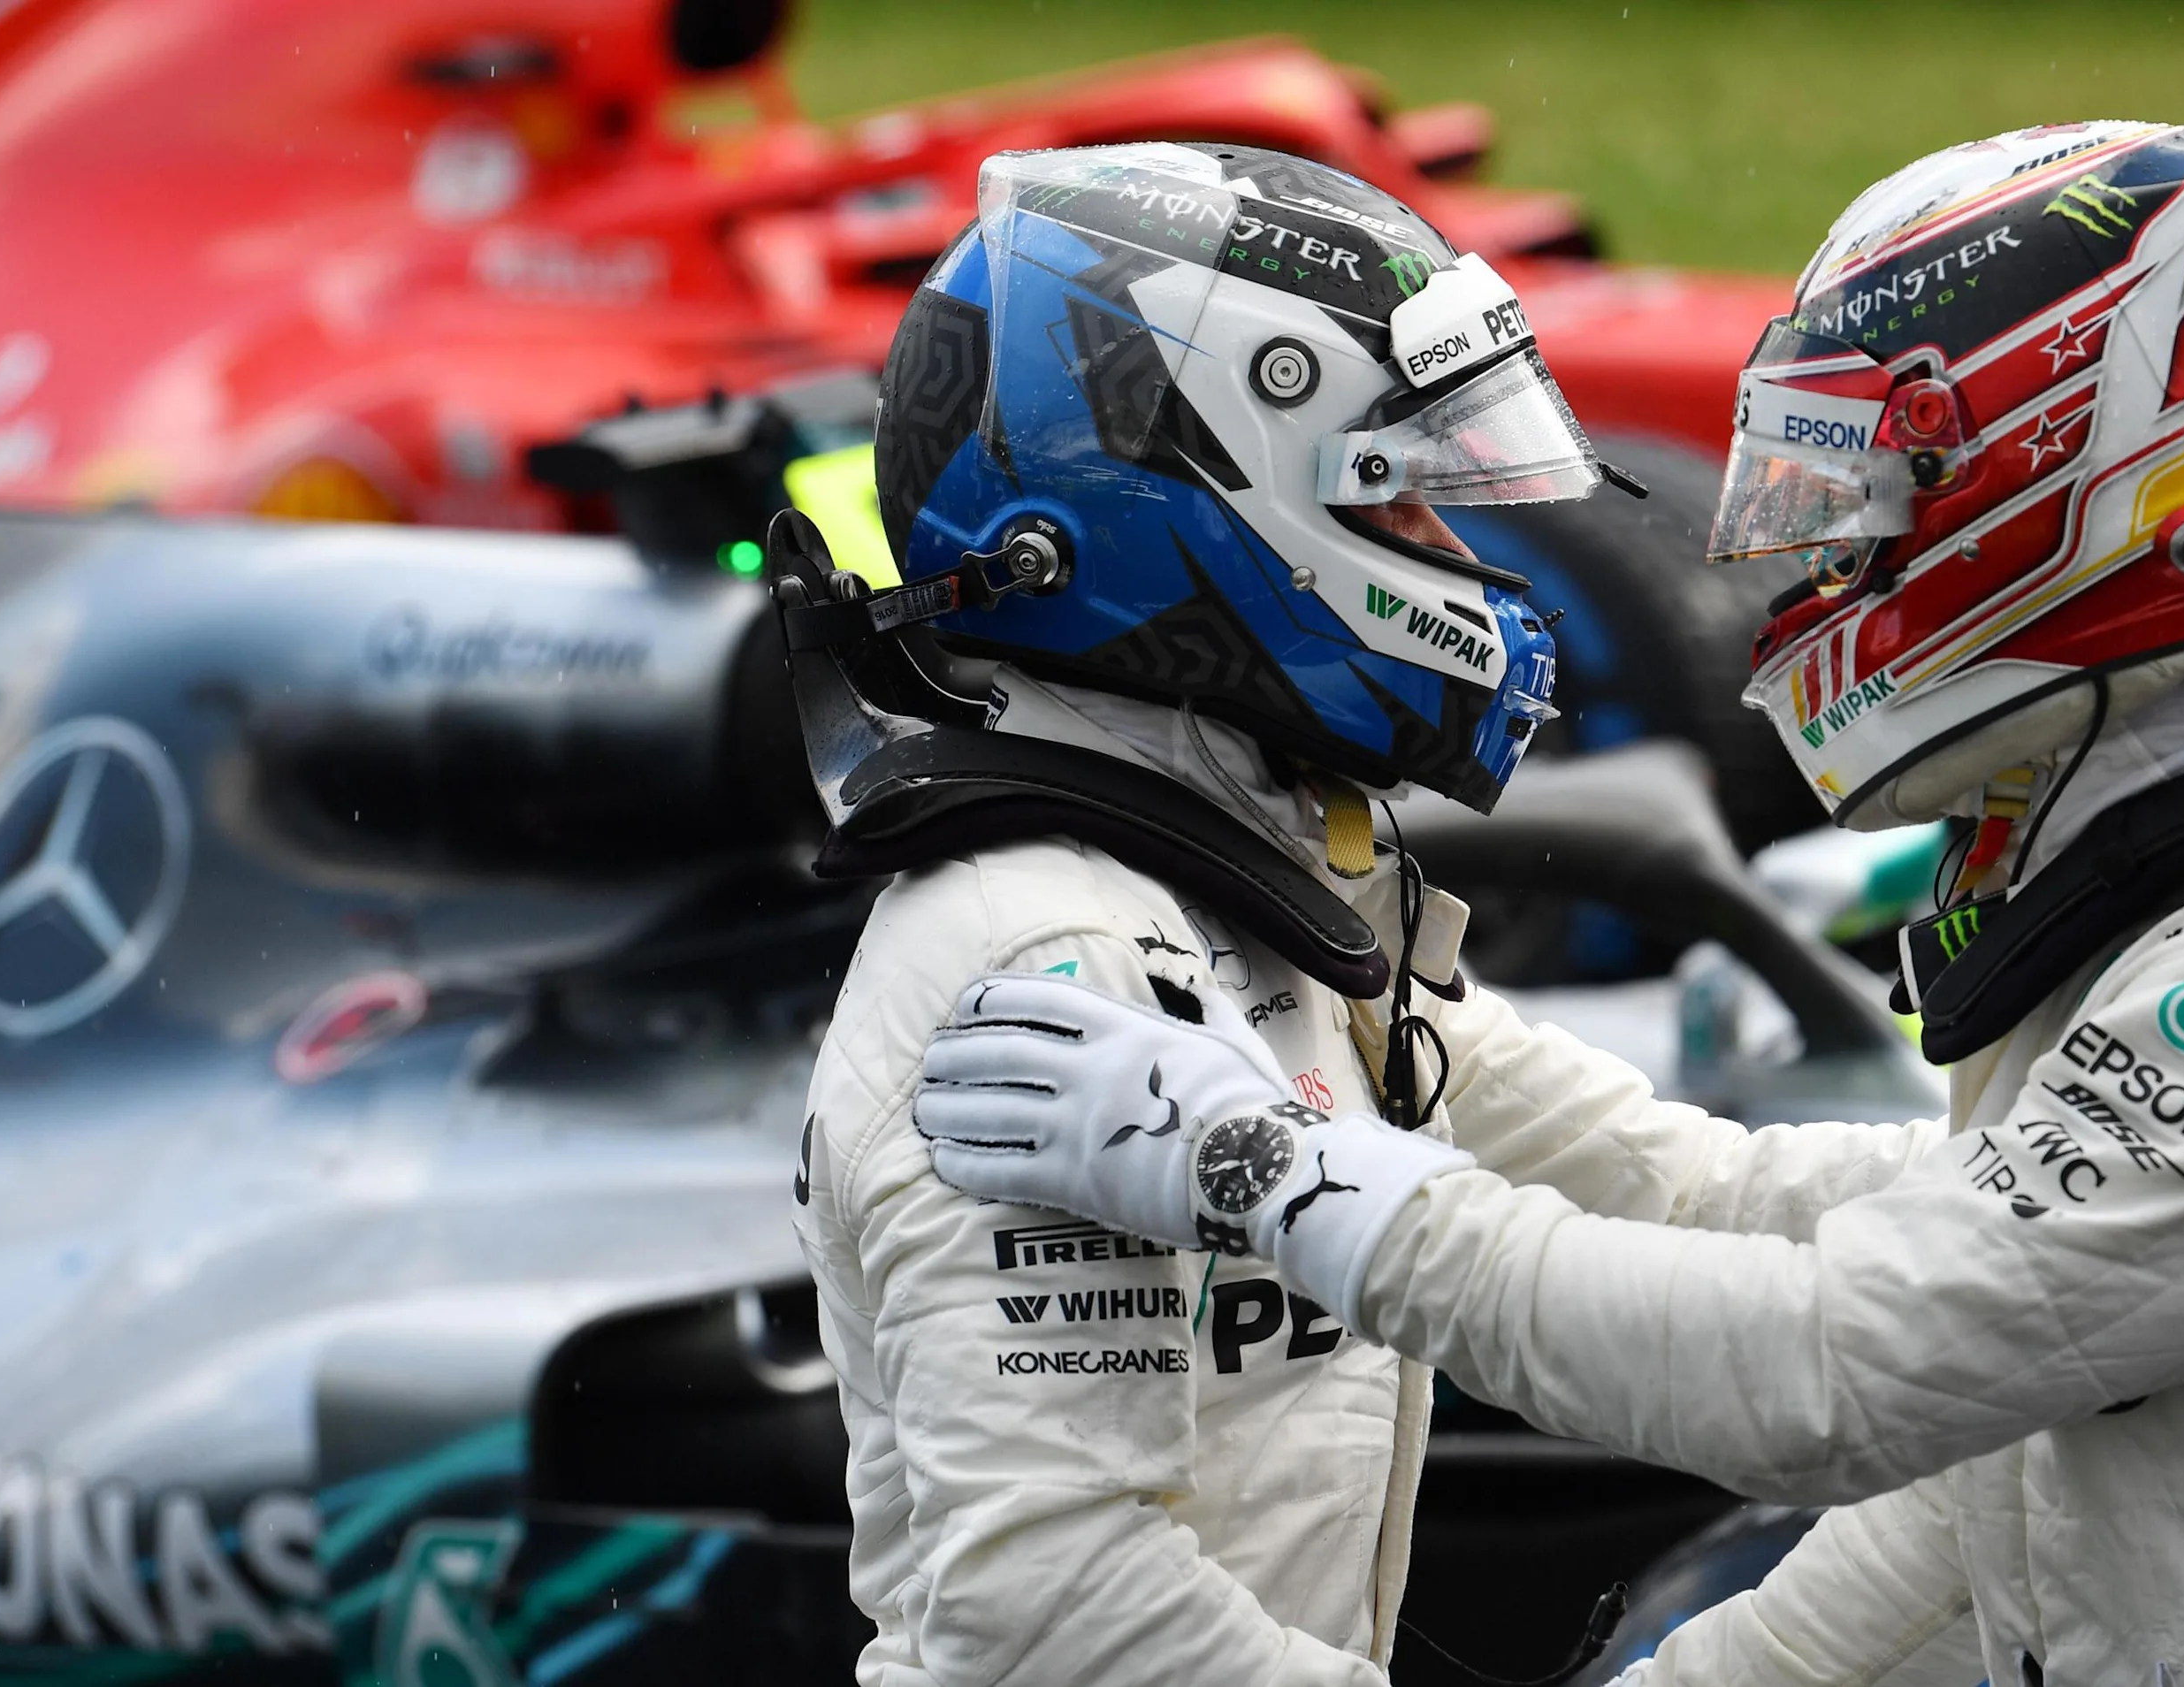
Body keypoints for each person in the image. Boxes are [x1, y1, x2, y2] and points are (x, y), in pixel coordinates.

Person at [913, 122, 2184, 1685]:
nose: (1814, 570)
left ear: (2127, 495)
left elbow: (1824, 1373)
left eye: (1879, 500)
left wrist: (1264, 1167)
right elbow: (1959, 1443)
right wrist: (1418, 1049)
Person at [776, 140, 1942, 1687]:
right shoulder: (1052, 964)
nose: (1472, 571)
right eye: (1407, 509)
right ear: (1176, 509)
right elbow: (1051, 1610)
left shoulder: (1250, 903)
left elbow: (1683, 1192)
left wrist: (2050, 1203)